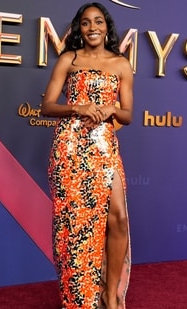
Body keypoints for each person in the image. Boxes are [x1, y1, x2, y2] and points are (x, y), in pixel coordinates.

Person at [41, 2, 133, 308]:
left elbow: (129, 114)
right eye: (85, 23)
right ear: (78, 28)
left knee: (117, 217)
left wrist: (112, 109)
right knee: (75, 224)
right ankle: (80, 298)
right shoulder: (69, 58)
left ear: (107, 26)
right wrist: (76, 107)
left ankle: (111, 294)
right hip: (70, 148)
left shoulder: (121, 64)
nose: (92, 27)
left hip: (104, 147)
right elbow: (47, 106)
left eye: (98, 21)